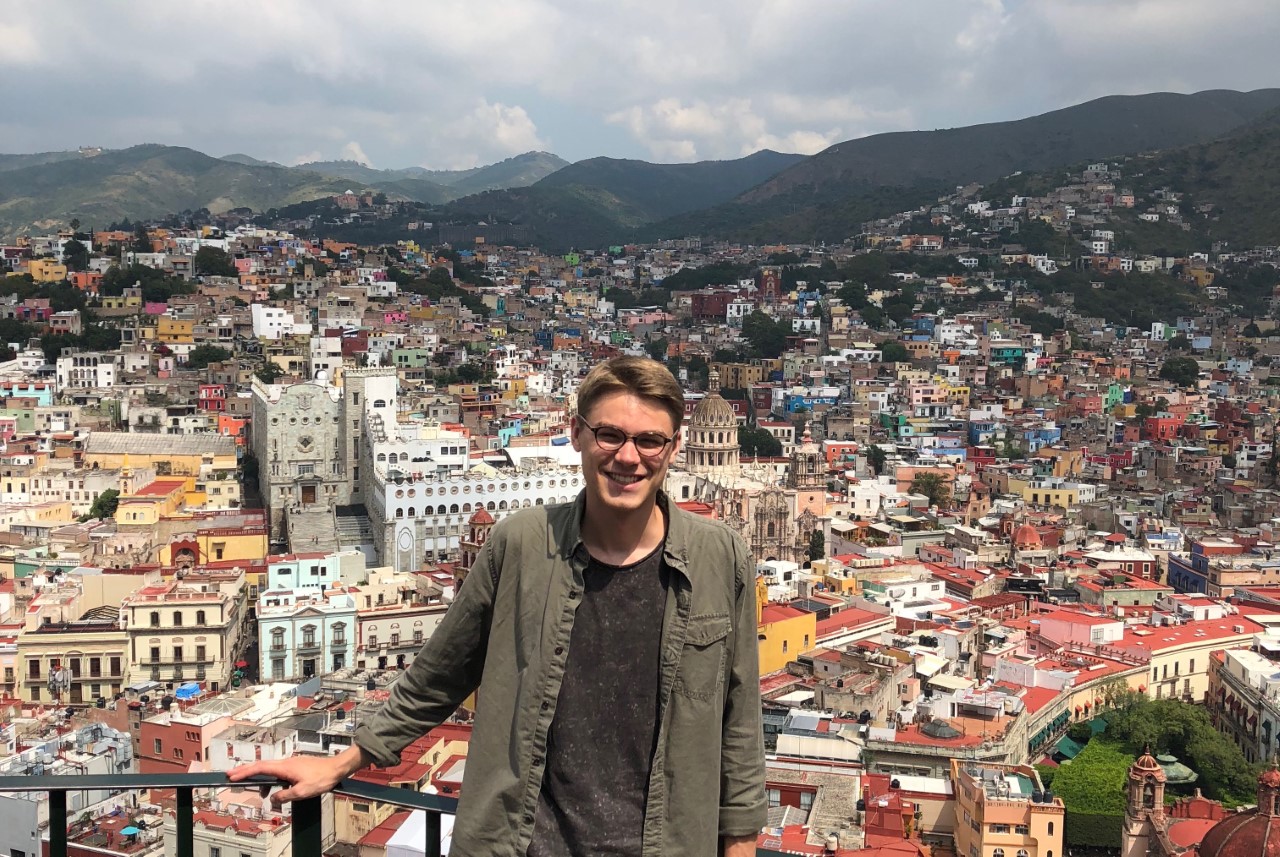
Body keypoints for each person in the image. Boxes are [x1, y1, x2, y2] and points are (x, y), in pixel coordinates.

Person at [230, 355, 766, 856]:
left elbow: (739, 721)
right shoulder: (520, 545)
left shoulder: (721, 559)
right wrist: (344, 761)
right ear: (577, 433)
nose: (628, 456)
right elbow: (439, 676)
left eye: (649, 440)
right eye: (610, 434)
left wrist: (740, 845)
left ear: (674, 448)